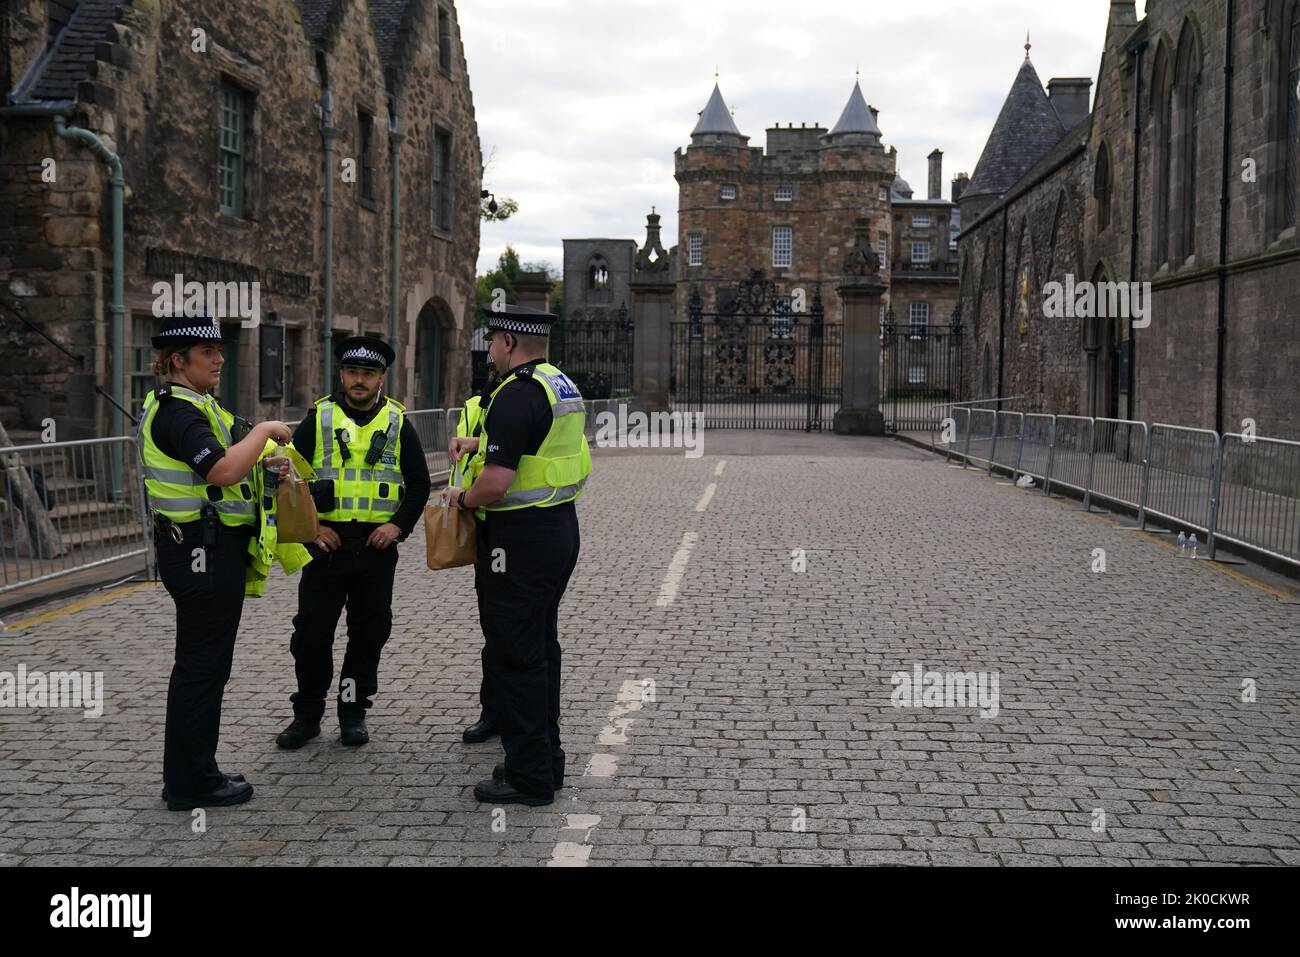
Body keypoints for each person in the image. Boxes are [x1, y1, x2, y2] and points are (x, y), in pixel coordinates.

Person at [139, 314, 294, 811]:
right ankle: (189, 783)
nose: (220, 358)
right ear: (178, 361)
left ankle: (196, 768)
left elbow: (226, 466)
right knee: (201, 669)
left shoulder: (197, 405)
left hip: (206, 550)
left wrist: (263, 461)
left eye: (220, 350)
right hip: (199, 554)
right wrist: (267, 429)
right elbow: (222, 468)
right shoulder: (178, 413)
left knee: (206, 667)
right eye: (208, 353)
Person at [443, 304, 591, 806]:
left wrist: (461, 498)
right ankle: (547, 761)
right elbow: (534, 445)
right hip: (557, 530)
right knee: (541, 647)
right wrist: (478, 439)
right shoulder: (557, 385)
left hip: (517, 541)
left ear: (508, 341)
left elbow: (498, 482)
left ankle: (528, 776)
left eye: (492, 341)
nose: (489, 351)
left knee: (515, 654)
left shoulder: (514, 394)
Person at [275, 335, 431, 749]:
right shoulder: (319, 418)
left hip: (377, 550)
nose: (359, 380)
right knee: (311, 636)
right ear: (342, 374)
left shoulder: (398, 422)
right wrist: (311, 531)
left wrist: (398, 526)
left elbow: (418, 484)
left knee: (367, 635)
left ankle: (351, 712)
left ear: (381, 377)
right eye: (352, 372)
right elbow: (291, 480)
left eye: (368, 373)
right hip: (327, 548)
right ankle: (306, 716)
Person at [457, 364, 502, 745]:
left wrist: (464, 497)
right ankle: (493, 711)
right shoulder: (475, 406)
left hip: (512, 526)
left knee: (511, 630)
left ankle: (509, 715)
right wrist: (470, 446)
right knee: (494, 626)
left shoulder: (523, 398)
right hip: (483, 527)